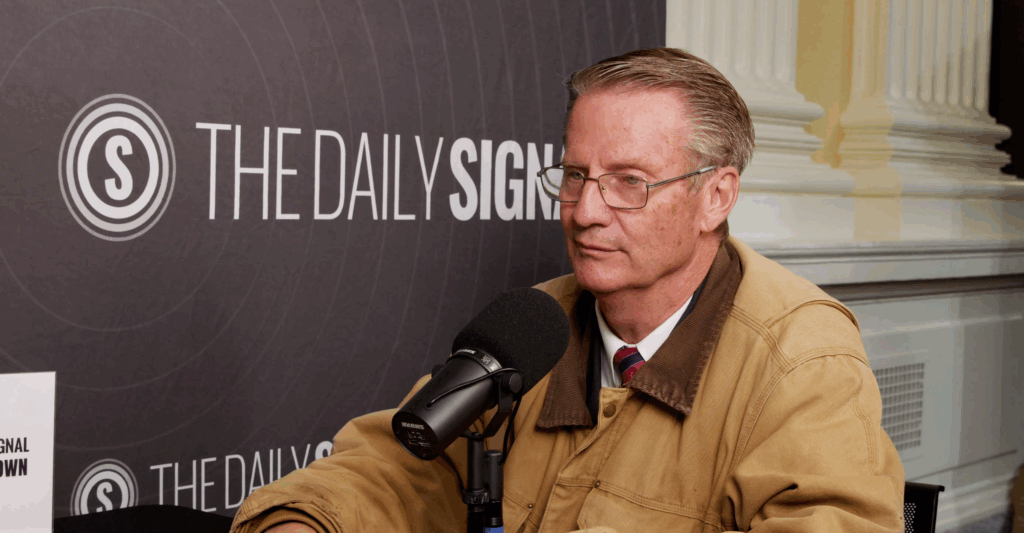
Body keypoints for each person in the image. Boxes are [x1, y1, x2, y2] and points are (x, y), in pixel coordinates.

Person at [230, 48, 905, 533]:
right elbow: (398, 469)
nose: (585, 211)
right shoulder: (535, 323)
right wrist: (303, 521)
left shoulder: (802, 357)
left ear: (716, 197)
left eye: (629, 182)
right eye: (575, 175)